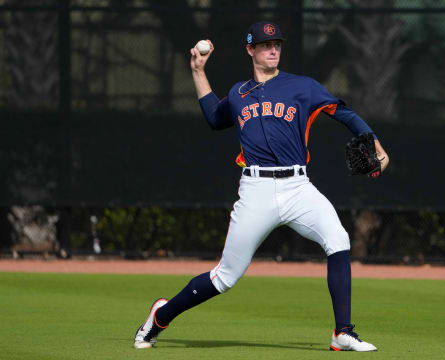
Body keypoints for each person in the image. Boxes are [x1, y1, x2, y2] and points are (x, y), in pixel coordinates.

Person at [133, 21, 389, 352]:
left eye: (277, 44)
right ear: (250, 50)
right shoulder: (239, 94)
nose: (272, 49)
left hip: (298, 187)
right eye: (266, 44)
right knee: (225, 277)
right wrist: (198, 70)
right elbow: (214, 117)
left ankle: (343, 332)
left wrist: (376, 144)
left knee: (338, 239)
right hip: (256, 191)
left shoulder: (303, 87)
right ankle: (160, 316)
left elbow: (344, 113)